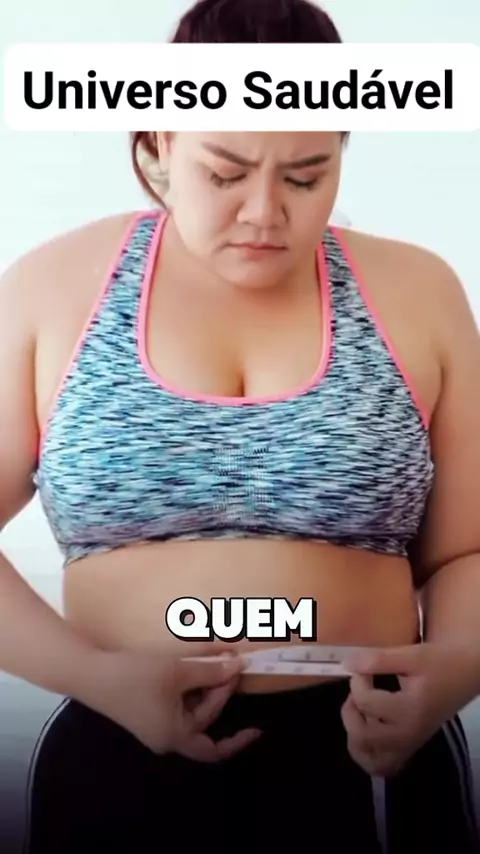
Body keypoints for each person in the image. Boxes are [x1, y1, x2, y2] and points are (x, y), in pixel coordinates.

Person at [0, 0, 479, 851]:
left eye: (305, 175)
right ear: (157, 147)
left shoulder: (420, 292)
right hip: (118, 748)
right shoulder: (48, 290)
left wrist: (459, 666)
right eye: (226, 173)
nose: (265, 212)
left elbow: (467, 551)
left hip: (371, 758)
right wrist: (95, 676)